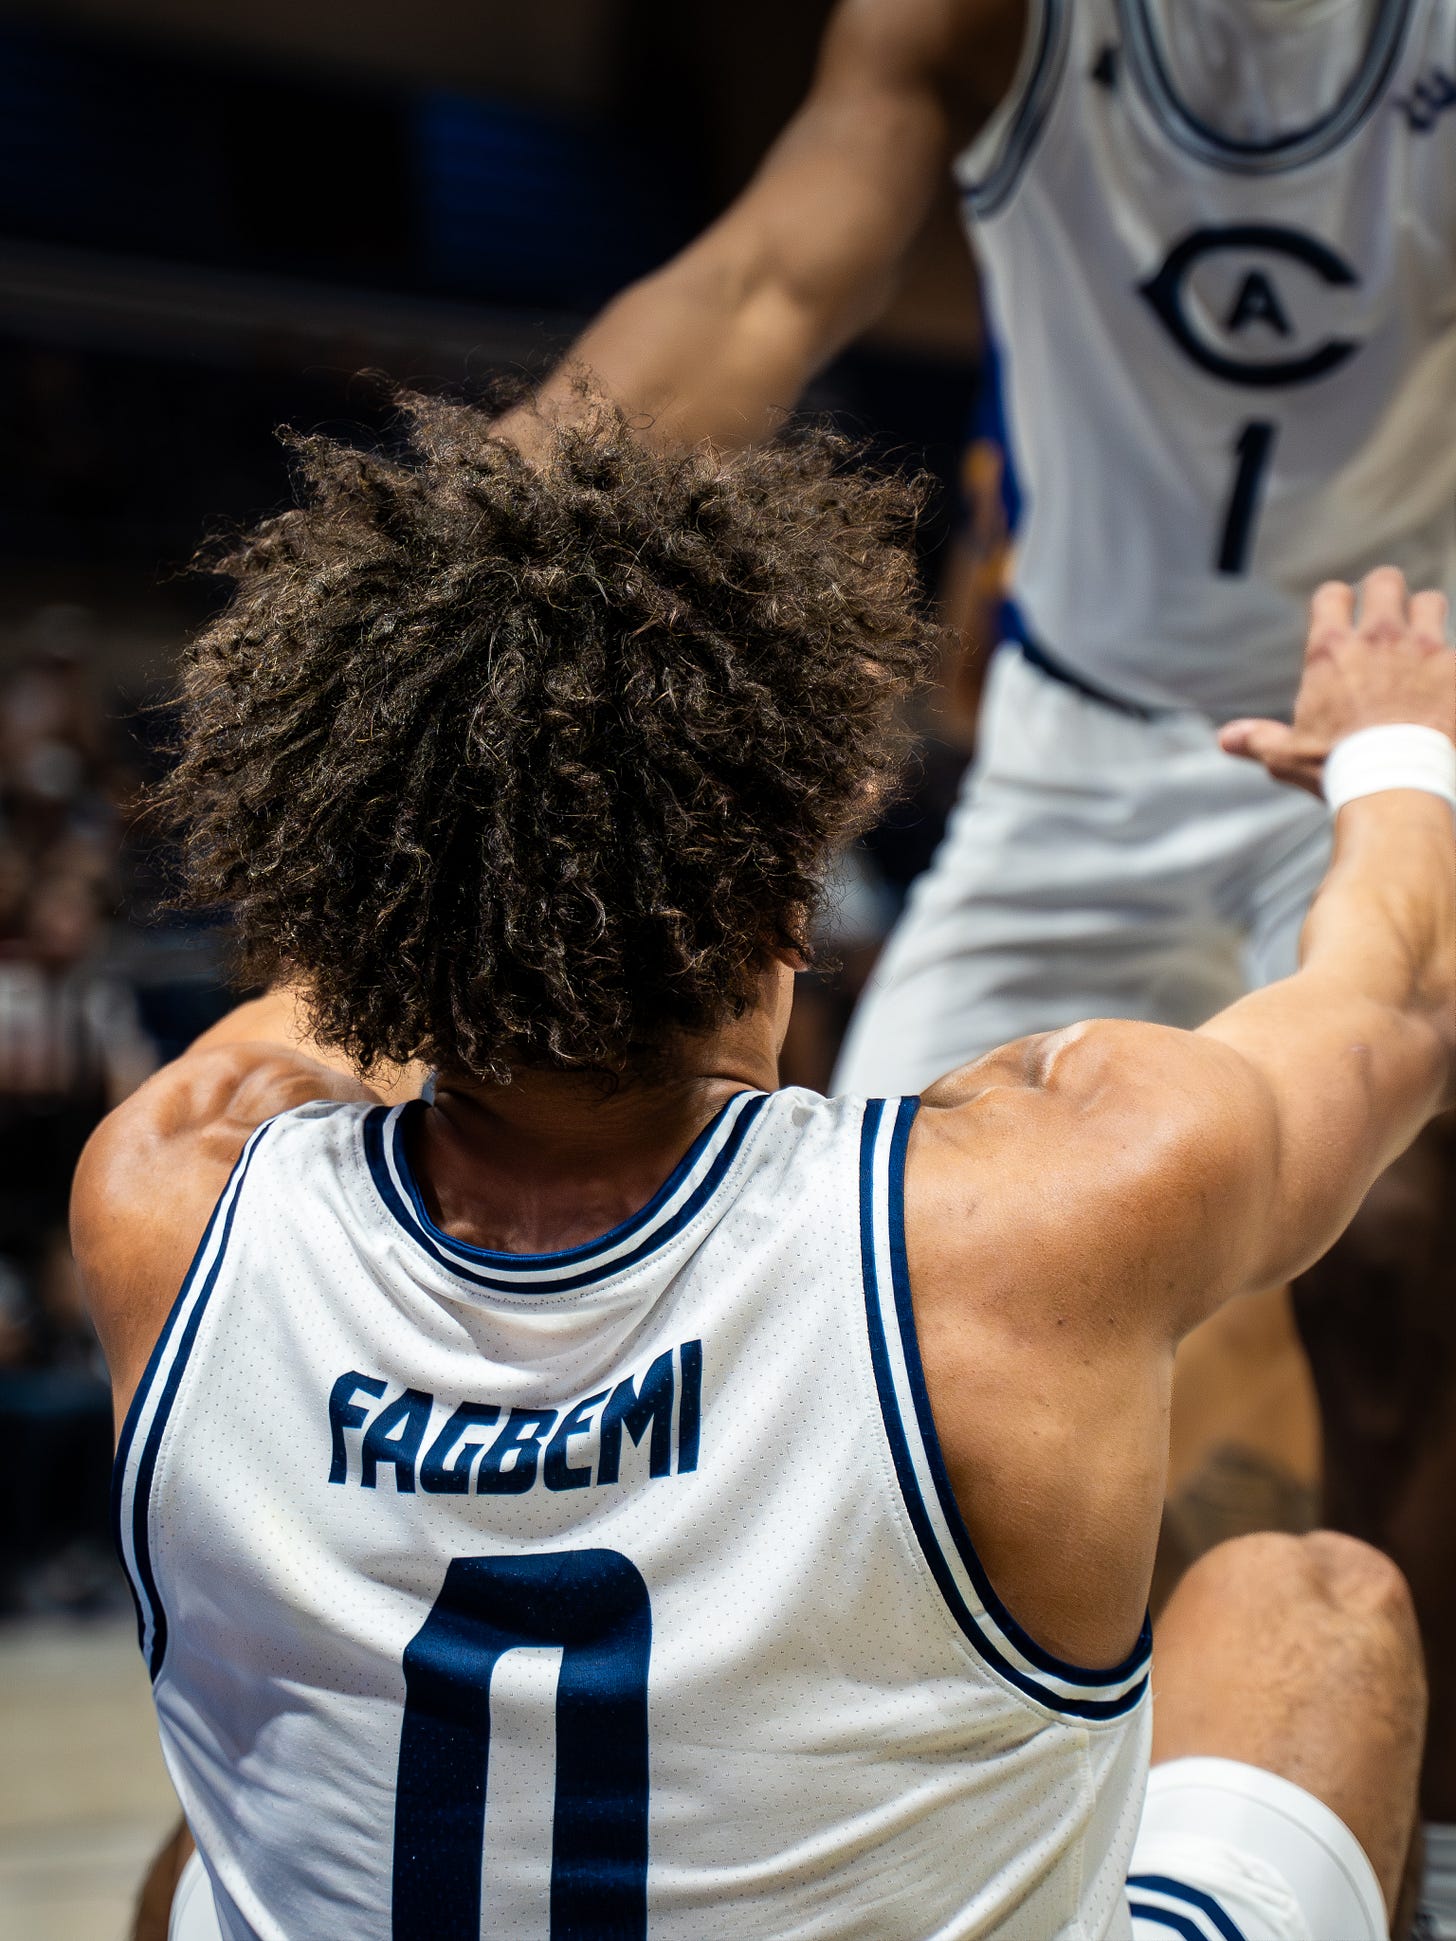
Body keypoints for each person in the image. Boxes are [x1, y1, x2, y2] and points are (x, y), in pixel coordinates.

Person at [76, 399, 1453, 1940]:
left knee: (199, 1865)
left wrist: (460, 797)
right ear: (788, 899)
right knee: (1309, 1602)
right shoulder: (1031, 1210)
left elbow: (359, 964)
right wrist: (1401, 749)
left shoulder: (164, 1200)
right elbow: (1401, 996)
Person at [515, 0, 1456, 1893]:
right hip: (1073, 749)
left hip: (1399, 697)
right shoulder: (978, 16)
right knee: (839, 1286)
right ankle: (911, 1823)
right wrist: (465, 550)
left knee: (1409, 1243)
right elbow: (766, 283)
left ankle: (1424, 1844)